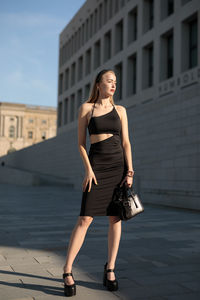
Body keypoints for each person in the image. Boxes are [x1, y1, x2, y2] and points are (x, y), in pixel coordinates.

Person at [62, 69, 134, 297]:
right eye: (109, 81)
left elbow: (126, 143)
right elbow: (81, 144)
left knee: (115, 217)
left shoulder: (120, 110)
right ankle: (67, 270)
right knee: (85, 218)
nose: (113, 85)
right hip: (96, 166)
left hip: (118, 166)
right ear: (98, 84)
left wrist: (129, 171)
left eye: (115, 82)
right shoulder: (86, 108)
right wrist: (88, 170)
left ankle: (110, 268)